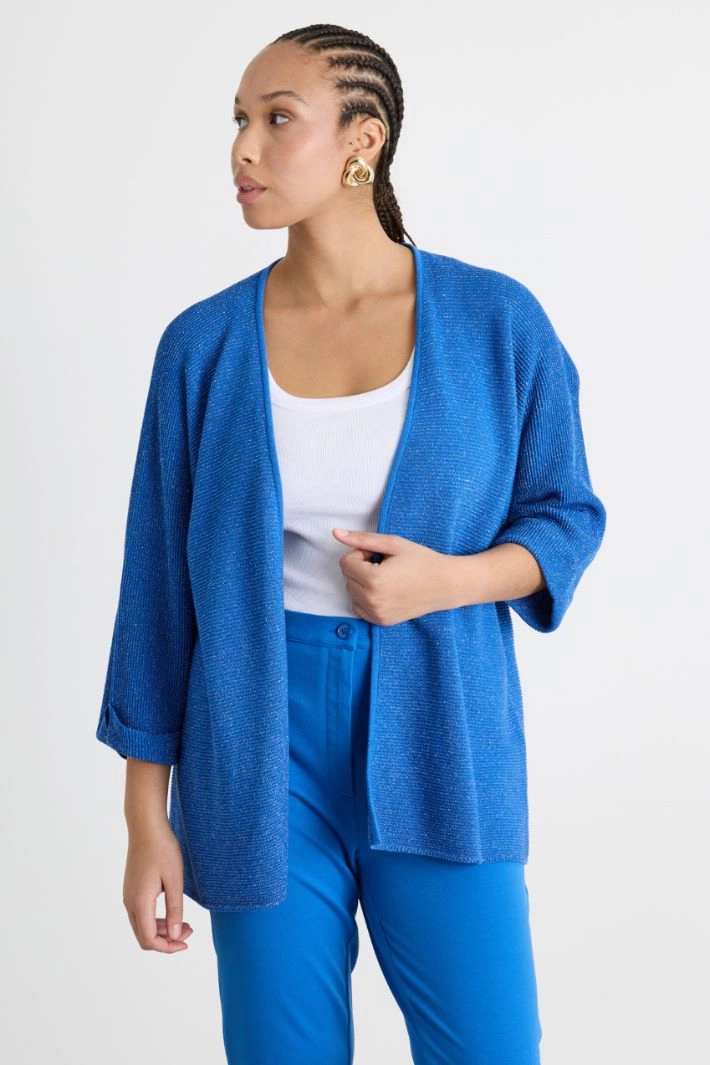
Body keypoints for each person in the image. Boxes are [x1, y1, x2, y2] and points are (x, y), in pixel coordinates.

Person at [96, 22, 607, 1065]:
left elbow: (565, 513)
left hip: (443, 733)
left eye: (277, 119)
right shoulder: (201, 346)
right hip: (253, 743)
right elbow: (156, 592)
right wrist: (146, 817)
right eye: (238, 120)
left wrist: (448, 581)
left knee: (490, 1049)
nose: (243, 147)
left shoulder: (496, 322)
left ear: (361, 141)